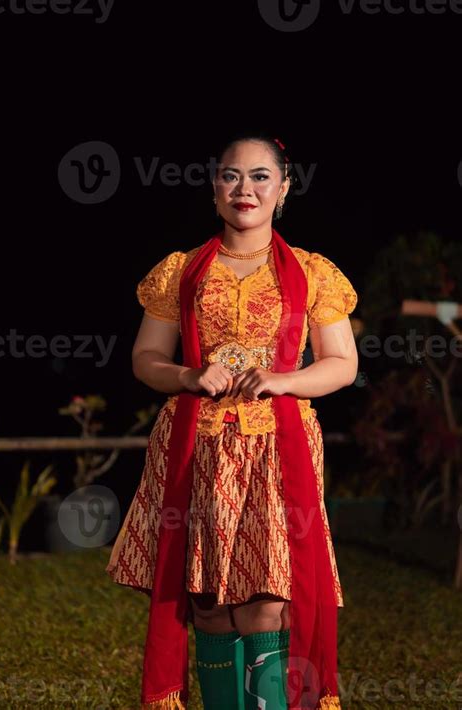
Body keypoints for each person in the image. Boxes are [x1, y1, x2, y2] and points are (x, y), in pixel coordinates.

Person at [105, 131, 358, 709]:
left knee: (268, 597)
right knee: (209, 602)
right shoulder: (180, 271)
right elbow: (145, 360)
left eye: (260, 176)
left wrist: (283, 381)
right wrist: (190, 377)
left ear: (284, 189)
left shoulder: (313, 273)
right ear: (215, 190)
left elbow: (343, 364)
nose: (245, 188)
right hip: (198, 443)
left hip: (277, 446)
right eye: (231, 176)